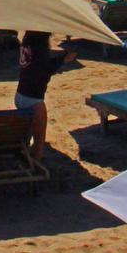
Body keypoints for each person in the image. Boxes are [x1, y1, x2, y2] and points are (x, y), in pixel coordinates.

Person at [16, 31, 76, 159]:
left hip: (20, 94)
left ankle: (26, 154)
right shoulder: (39, 48)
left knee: (27, 133)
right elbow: (46, 69)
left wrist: (61, 58)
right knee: (39, 141)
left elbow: (40, 65)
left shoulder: (26, 46)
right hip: (33, 98)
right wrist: (63, 59)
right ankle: (35, 162)